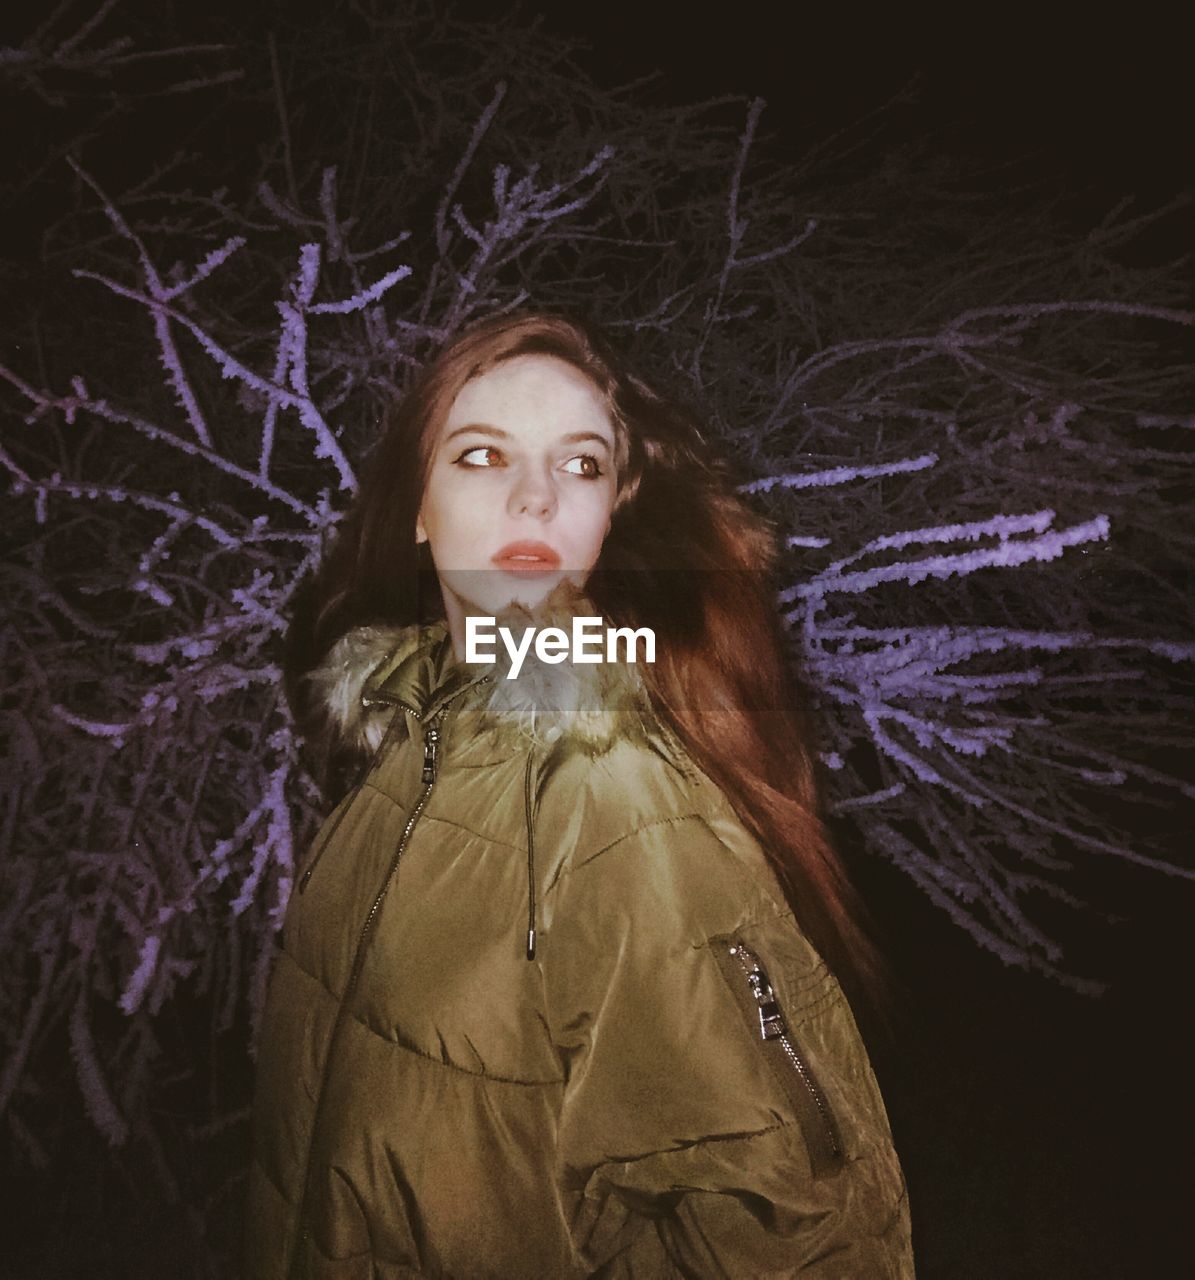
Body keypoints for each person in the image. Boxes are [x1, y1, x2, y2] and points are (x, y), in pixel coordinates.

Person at [244, 312, 914, 1277]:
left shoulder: (612, 796)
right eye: (482, 456)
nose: (534, 499)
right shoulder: (404, 746)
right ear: (416, 507)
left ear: (610, 513)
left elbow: (795, 1230)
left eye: (582, 465)